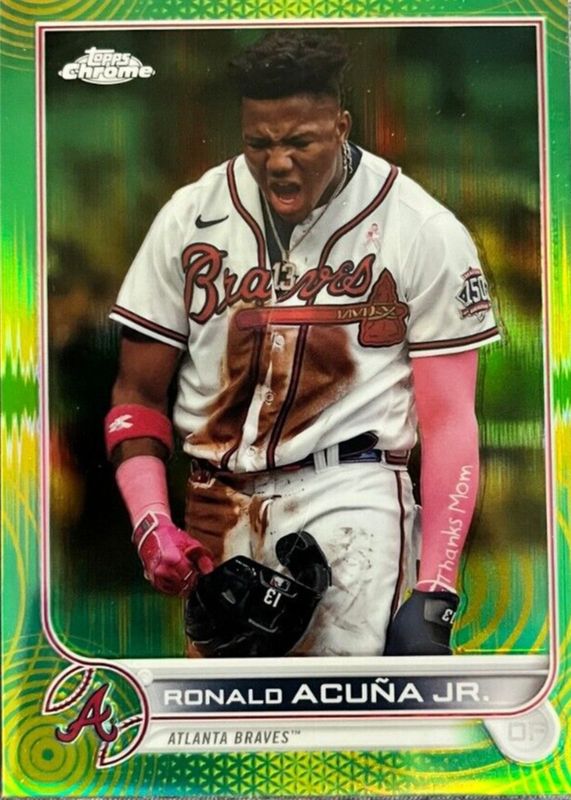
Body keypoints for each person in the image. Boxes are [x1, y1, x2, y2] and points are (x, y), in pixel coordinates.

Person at [105, 30, 500, 658]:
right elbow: (136, 394)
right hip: (216, 500)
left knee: (338, 700)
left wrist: (436, 588)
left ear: (341, 127)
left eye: (299, 142)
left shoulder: (420, 227)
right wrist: (151, 520)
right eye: (259, 144)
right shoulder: (189, 215)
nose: (278, 163)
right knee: (223, 711)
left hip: (349, 491)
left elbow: (450, 420)